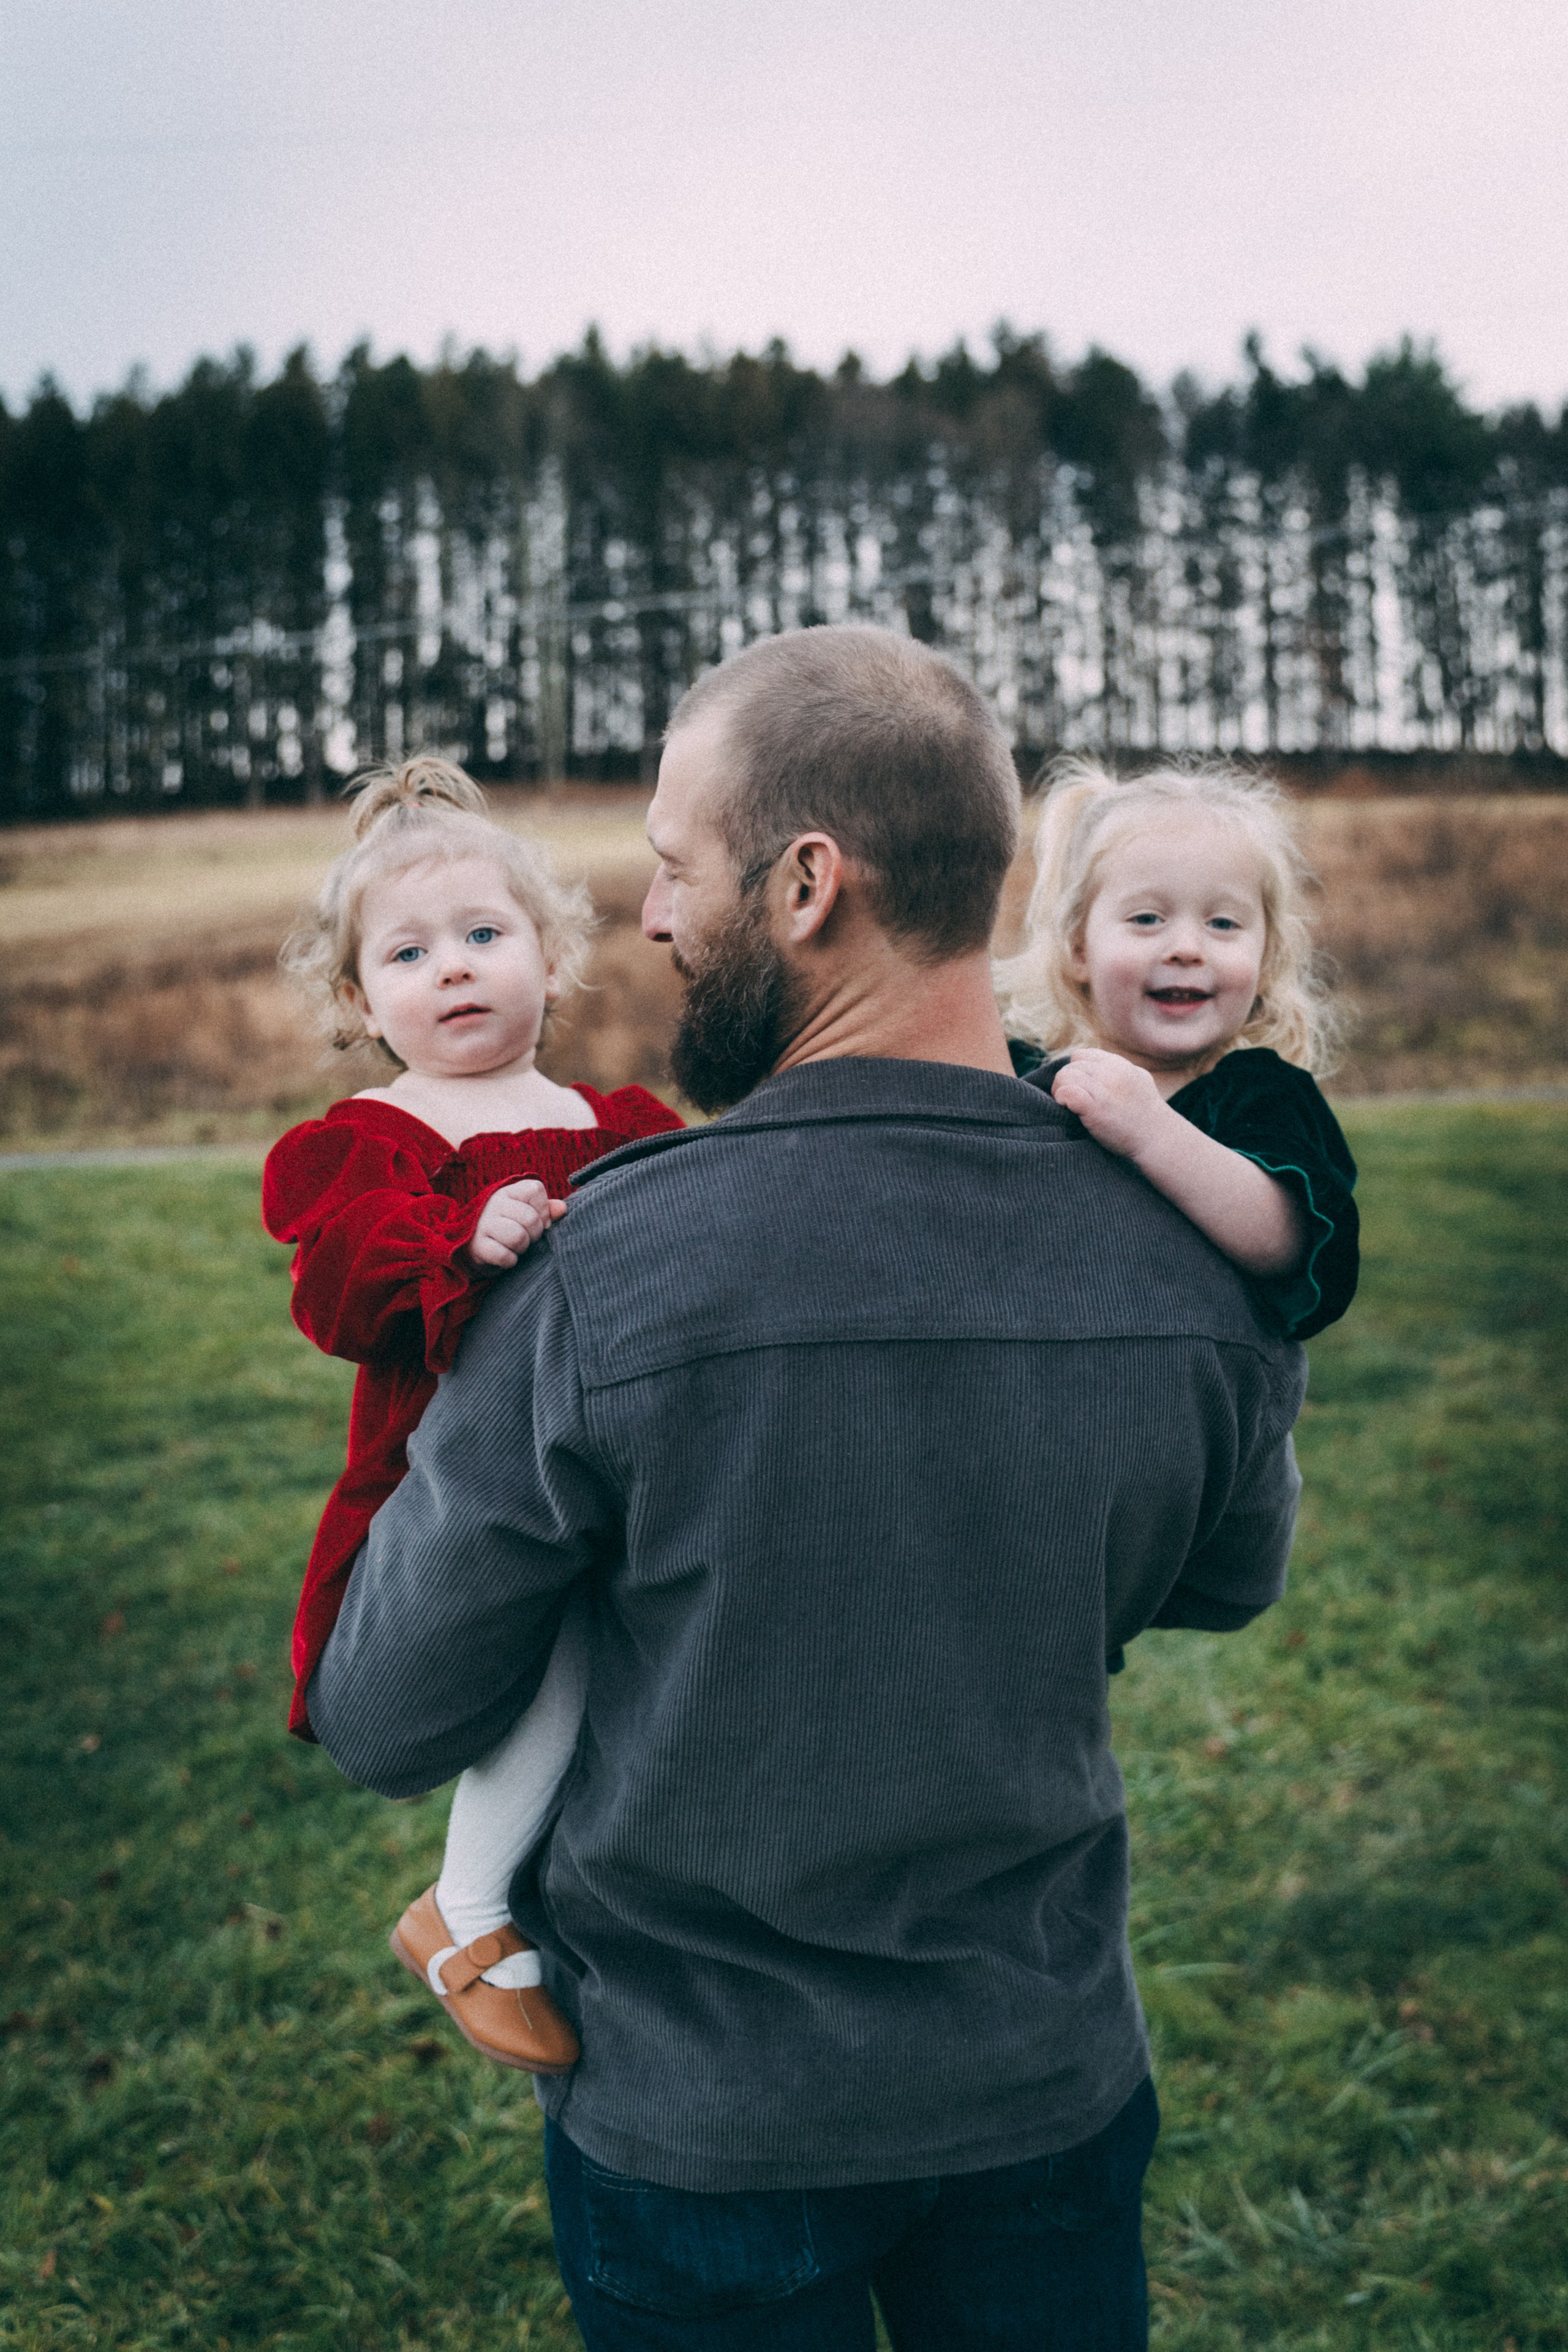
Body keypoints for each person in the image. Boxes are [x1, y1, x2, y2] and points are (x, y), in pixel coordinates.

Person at [307, 627, 1308, 2351]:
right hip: (1045, 2082)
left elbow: (388, 1712)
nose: (651, 922)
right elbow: (1227, 1578)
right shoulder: (1200, 1247)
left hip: (704, 2130)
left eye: (676, 869)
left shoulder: (599, 1275)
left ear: (805, 884)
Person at [261, 758, 682, 2073]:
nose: (452, 969)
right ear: (356, 997)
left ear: (552, 960)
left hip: (617, 1458)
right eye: (408, 951)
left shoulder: (608, 1124)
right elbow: (334, 1292)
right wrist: (457, 1236)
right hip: (446, 1486)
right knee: (555, 1651)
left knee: (631, 1659)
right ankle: (469, 1908)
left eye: (485, 936)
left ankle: (598, 1889)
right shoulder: (374, 1139)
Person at [996, 758, 1357, 1343]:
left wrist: (1150, 1131)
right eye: (1147, 918)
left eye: (1222, 923)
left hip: (1198, 1416)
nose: (1187, 947)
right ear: (1079, 949)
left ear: (1266, 963)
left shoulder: (1262, 1094)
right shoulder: (1019, 1073)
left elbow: (1288, 1243)